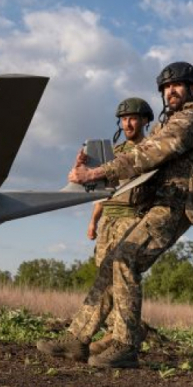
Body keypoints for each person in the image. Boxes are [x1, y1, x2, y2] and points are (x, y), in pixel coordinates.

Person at [37, 61, 193, 368]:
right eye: (165, 87)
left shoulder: (190, 121)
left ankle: (125, 344)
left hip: (175, 205)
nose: (170, 91)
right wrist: (93, 170)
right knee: (114, 263)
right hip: (158, 203)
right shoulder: (171, 121)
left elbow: (145, 156)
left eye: (177, 85)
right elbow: (133, 160)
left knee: (125, 259)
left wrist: (94, 172)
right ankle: (77, 340)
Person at [85, 97, 153, 356]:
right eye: (124, 119)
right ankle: (115, 331)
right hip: (108, 220)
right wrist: (93, 221)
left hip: (131, 216)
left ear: (145, 120)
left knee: (121, 274)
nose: (128, 123)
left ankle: (120, 335)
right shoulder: (114, 153)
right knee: (104, 276)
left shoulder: (149, 151)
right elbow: (102, 192)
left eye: (133, 118)